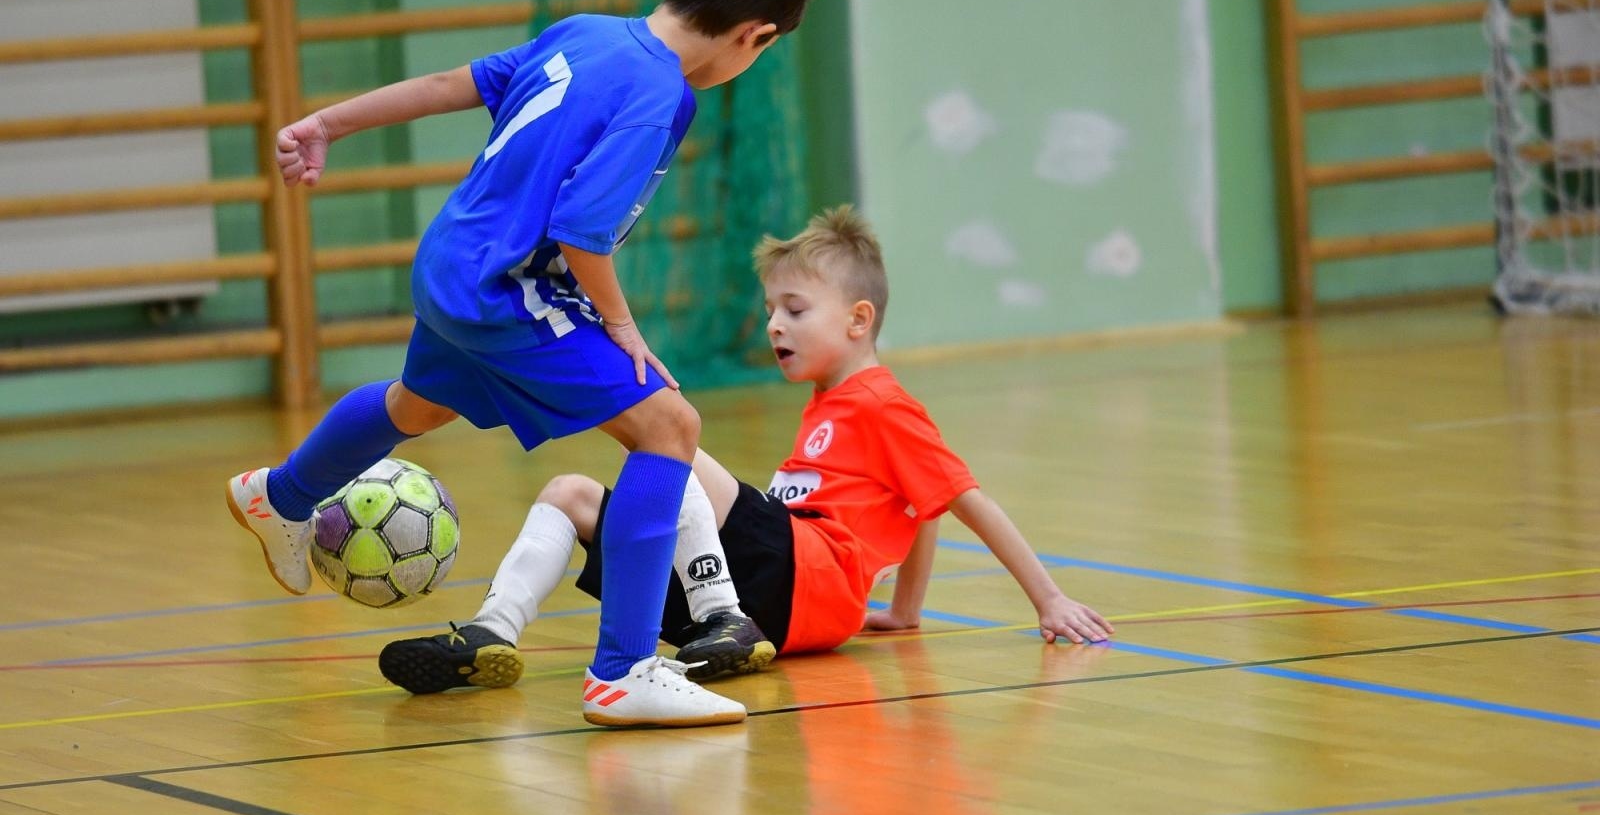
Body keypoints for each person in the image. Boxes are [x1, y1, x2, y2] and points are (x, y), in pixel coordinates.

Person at [225, 0, 815, 728]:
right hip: (508, 288)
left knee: (420, 404)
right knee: (670, 426)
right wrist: (622, 326)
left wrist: (325, 122)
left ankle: (280, 494)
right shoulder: (659, 94)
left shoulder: (584, 34)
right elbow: (583, 234)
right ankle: (625, 671)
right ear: (756, 35)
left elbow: (447, 86)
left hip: (451, 260)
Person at [378, 206, 1113, 698]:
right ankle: (490, 635)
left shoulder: (882, 402)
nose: (775, 326)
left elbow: (959, 496)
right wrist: (906, 610)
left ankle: (724, 616)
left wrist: (1047, 597)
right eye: (770, 312)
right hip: (787, 594)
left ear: (860, 320)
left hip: (809, 579)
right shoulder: (832, 405)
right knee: (570, 492)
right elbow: (921, 504)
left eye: (795, 310)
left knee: (674, 447)